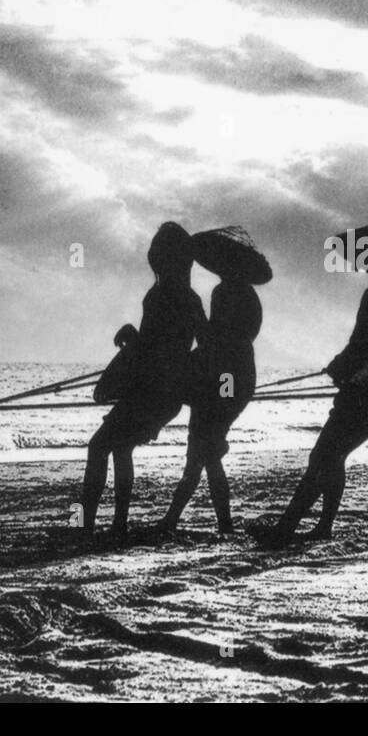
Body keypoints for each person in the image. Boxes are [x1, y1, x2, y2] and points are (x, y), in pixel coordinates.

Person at [259, 219, 368, 547]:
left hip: (362, 397)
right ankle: (310, 526)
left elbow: (359, 345)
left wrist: (339, 368)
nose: (366, 263)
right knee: (331, 457)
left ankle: (289, 528)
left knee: (323, 457)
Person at [81, 222, 206, 545]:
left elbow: (150, 349)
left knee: (99, 447)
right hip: (166, 394)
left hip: (150, 391)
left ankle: (88, 527)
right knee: (120, 448)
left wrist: (131, 336)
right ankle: (117, 524)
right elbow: (201, 345)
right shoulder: (191, 299)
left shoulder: (161, 295)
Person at [160, 226, 271, 537]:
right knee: (202, 452)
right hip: (235, 376)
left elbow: (214, 342)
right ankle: (206, 522)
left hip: (223, 379)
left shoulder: (225, 293)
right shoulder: (247, 295)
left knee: (201, 451)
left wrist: (195, 323)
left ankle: (189, 521)